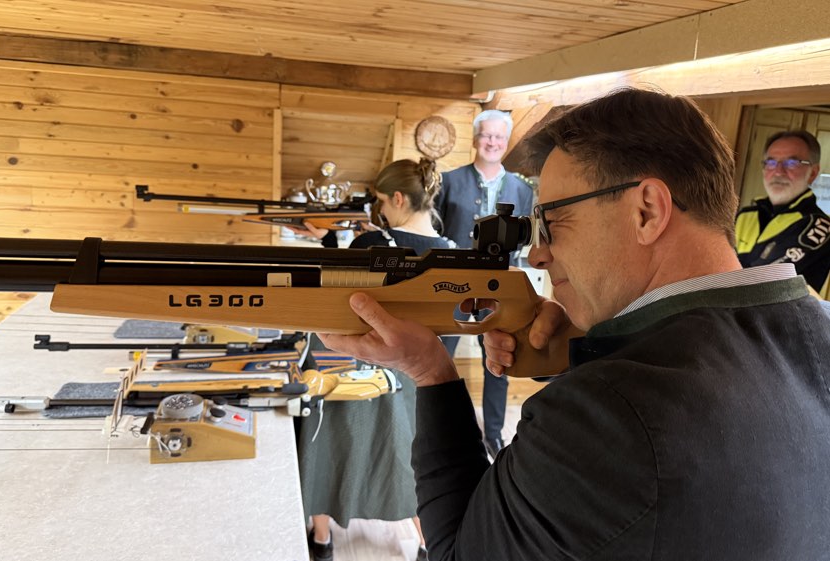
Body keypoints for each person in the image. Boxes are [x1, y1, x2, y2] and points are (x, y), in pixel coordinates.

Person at [319, 88, 830, 560]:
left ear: (648, 211)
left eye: (552, 220)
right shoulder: (815, 331)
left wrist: (430, 370)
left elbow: (459, 551)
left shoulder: (606, 411)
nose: (538, 254)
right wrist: (594, 347)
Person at [296, 158, 454, 561]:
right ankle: (426, 543)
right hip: (416, 383)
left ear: (399, 198)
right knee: (409, 465)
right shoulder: (453, 253)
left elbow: (333, 296)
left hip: (355, 372)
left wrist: (327, 240)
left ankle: (321, 539)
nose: (379, 210)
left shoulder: (370, 247)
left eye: (382, 201)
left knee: (325, 445)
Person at [435, 109, 534, 458]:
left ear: (506, 142)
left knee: (498, 361)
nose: (492, 142)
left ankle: (493, 435)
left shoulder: (522, 189)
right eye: (486, 135)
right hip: (452, 285)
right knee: (438, 357)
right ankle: (440, 428)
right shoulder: (448, 182)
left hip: (498, 289)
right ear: (475, 140)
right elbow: (435, 231)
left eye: (498, 137)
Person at [735, 130, 830, 298]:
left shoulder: (820, 225)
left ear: (813, 173)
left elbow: (762, 283)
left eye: (791, 163)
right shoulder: (745, 215)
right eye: (771, 162)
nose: (778, 171)